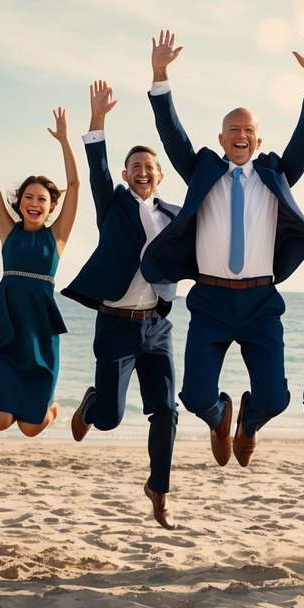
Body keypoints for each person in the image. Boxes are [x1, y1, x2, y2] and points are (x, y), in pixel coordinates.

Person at [141, 30, 304, 467]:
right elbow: (172, 136)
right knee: (194, 396)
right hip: (210, 299)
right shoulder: (203, 170)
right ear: (222, 140)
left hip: (262, 300)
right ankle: (220, 415)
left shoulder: (274, 175)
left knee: (276, 398)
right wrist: (160, 75)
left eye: (249, 131)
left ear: (258, 142)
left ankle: (249, 422)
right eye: (233, 130)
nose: (241, 136)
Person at [62, 80, 181, 529]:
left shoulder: (173, 216)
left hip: (157, 327)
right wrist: (97, 121)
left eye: (150, 166)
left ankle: (160, 489)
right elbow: (97, 171)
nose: (143, 172)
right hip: (115, 325)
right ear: (127, 174)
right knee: (110, 420)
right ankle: (94, 404)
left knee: (166, 411)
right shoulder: (113, 204)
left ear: (160, 174)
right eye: (135, 166)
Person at [0, 101, 78, 436]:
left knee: (30, 426)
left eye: (42, 199)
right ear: (20, 202)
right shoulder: (7, 231)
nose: (34, 203)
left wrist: (65, 141)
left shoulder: (57, 237)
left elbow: (76, 185)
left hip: (40, 335)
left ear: (51, 206)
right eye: (29, 197)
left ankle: (50, 407)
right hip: (6, 329)